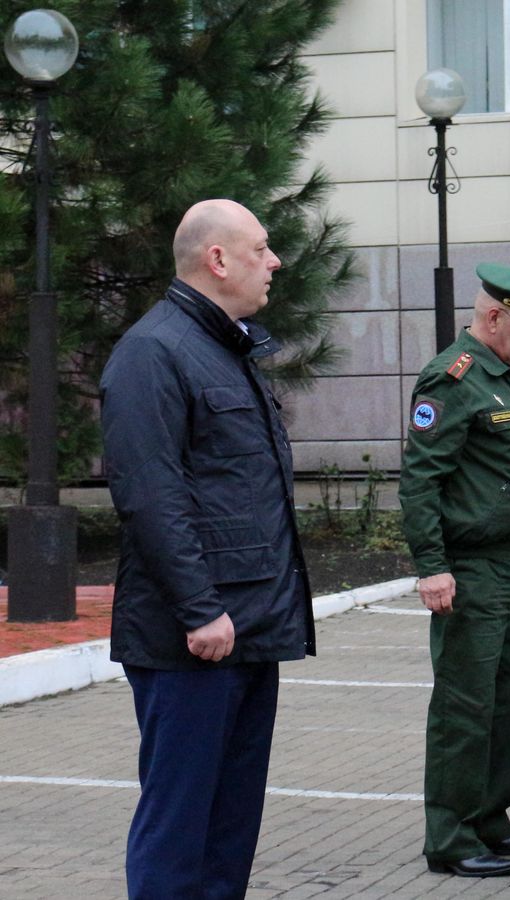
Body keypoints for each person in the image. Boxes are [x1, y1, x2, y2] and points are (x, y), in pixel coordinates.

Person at [99, 199, 315, 899]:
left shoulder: (228, 347)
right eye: (260, 248)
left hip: (247, 628)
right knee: (179, 825)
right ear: (217, 260)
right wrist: (198, 611)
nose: (274, 261)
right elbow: (150, 496)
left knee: (229, 828)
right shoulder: (153, 353)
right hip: (194, 638)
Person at [399, 263, 510, 878]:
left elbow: (495, 480)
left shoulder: (506, 378)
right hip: (468, 573)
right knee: (465, 705)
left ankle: (489, 820)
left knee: (505, 700)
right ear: (493, 317)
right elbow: (422, 481)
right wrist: (432, 567)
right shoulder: (453, 378)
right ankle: (451, 834)